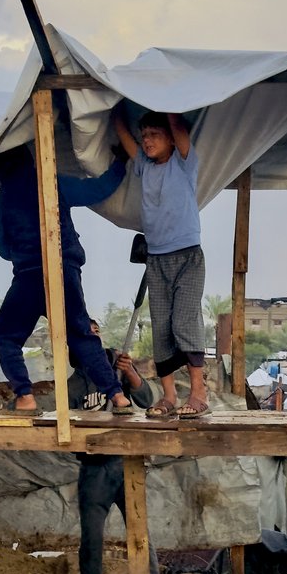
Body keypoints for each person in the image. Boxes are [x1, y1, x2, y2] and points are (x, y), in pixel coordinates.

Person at [0, 144, 132, 415]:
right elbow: (98, 189)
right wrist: (121, 161)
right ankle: (118, 396)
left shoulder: (4, 197)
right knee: (81, 337)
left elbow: (2, 248)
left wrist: (24, 248)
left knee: (6, 336)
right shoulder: (51, 183)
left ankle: (25, 398)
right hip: (65, 271)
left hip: (29, 276)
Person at [113, 108, 209, 419]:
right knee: (162, 330)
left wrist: (166, 104)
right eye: (144, 137)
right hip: (157, 258)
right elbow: (125, 137)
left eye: (154, 135)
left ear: (169, 137)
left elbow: (179, 128)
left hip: (187, 256)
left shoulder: (184, 164)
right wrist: (116, 112)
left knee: (185, 322)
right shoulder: (144, 166)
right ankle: (168, 396)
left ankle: (198, 394)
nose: (147, 141)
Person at [73, 319, 162, 574]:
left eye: (98, 333)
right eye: (89, 334)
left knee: (140, 536)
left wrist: (131, 372)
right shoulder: (72, 385)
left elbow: (147, 400)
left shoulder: (117, 371)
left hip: (127, 466)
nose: (95, 340)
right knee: (91, 540)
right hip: (94, 471)